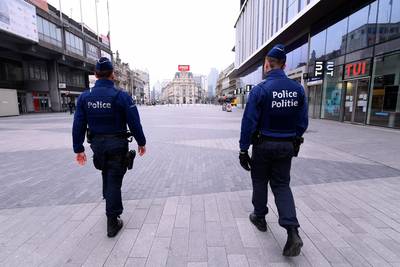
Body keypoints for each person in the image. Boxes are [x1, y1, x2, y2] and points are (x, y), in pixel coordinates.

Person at [239, 44, 308, 257]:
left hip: (263, 145)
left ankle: (259, 217)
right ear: (284, 65)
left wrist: (243, 149)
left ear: (267, 64)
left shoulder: (261, 89)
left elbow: (249, 122)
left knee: (259, 180)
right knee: (281, 185)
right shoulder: (298, 89)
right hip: (286, 146)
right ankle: (292, 230)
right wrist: (293, 138)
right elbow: (302, 122)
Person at [72, 57, 146, 238]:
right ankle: (112, 220)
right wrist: (141, 142)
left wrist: (78, 148)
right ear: (112, 74)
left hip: (97, 145)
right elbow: (134, 122)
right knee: (114, 178)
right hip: (116, 144)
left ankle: (108, 199)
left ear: (96, 74)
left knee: (105, 171)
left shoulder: (85, 97)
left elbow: (78, 123)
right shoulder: (121, 96)